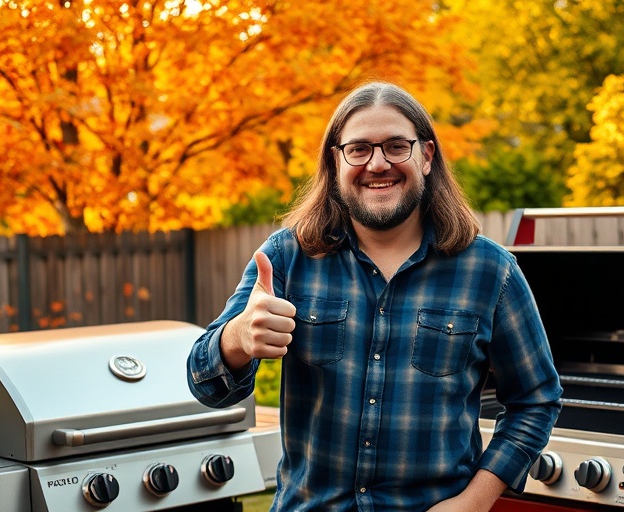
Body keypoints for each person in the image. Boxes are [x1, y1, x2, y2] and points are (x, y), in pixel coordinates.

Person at [187, 81, 562, 512]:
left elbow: (536, 400)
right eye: (359, 149)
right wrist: (236, 340)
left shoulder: (489, 271)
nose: (378, 164)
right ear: (336, 160)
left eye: (396, 146)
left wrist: (473, 502)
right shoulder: (285, 258)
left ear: (426, 156)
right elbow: (206, 386)